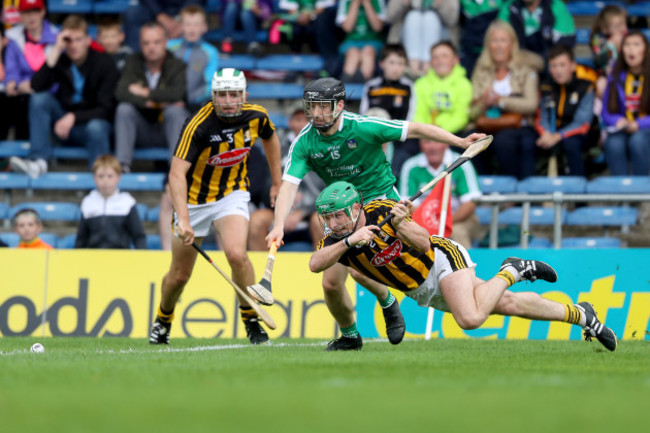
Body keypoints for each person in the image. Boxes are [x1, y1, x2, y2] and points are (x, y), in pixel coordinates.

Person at [263, 77, 485, 351]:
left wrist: (460, 141)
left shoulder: (365, 127)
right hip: (343, 212)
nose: (316, 113)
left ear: (339, 106)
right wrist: (278, 225)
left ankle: (392, 301)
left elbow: (415, 129)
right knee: (331, 284)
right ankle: (351, 334)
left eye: (322, 106)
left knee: (359, 271)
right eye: (312, 107)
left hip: (381, 204)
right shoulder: (305, 143)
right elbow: (288, 186)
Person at [309, 180, 618, 352]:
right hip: (421, 290)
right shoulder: (339, 241)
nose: (333, 223)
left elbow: (425, 243)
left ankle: (512, 270)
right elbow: (315, 264)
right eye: (328, 218)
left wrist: (401, 224)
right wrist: (351, 241)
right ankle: (582, 315)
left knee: (470, 318)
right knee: (506, 303)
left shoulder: (383, 210)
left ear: (354, 207)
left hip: (440, 260)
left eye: (337, 216)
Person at [149, 68, 282, 346]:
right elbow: (175, 174)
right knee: (179, 275)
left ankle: (251, 321)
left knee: (236, 254)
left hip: (231, 194)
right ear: (214, 96)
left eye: (234, 94)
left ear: (244, 95)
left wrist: (277, 182)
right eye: (223, 95)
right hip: (193, 201)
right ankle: (163, 320)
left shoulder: (257, 116)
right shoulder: (199, 125)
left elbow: (270, 138)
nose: (229, 100)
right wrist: (183, 219)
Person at [9, 15, 118, 178]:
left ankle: (100, 179)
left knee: (97, 127)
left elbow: (107, 108)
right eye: (69, 40)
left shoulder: (104, 63)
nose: (73, 45)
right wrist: (56, 49)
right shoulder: (61, 59)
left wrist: (73, 117)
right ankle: (39, 162)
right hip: (63, 127)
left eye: (78, 39)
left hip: (92, 127)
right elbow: (36, 86)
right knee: (40, 99)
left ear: (89, 40)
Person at [469, 20, 539, 179]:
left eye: (503, 40)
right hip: (488, 125)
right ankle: (481, 188)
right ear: (488, 45)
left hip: (520, 125)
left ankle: (512, 190)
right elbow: (472, 113)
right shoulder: (481, 69)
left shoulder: (525, 68)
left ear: (512, 44)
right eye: (494, 41)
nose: (499, 46)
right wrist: (483, 104)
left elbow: (531, 104)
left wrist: (500, 101)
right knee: (469, 139)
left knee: (503, 141)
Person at [114, 21, 187, 173]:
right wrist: (156, 103)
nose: (151, 47)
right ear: (140, 44)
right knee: (124, 109)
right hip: (141, 129)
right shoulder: (132, 62)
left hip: (169, 129)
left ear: (166, 42)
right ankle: (122, 166)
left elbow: (178, 94)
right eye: (146, 43)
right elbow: (121, 92)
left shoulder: (177, 65)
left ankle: (177, 170)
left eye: (156, 42)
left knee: (175, 112)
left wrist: (145, 93)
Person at [248, 108, 325, 251]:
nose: (303, 124)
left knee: (322, 221)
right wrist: (282, 204)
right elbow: (265, 186)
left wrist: (303, 211)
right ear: (290, 122)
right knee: (256, 220)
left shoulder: (324, 148)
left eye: (307, 120)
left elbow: (329, 189)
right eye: (298, 120)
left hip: (313, 212)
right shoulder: (278, 148)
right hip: (278, 212)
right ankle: (261, 271)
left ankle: (324, 268)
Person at [399, 138, 482, 249]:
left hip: (458, 219)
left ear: (447, 144)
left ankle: (464, 265)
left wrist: (445, 223)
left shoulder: (461, 162)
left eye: (437, 141)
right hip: (420, 220)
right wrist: (429, 224)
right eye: (427, 142)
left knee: (457, 232)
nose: (432, 147)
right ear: (420, 144)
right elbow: (408, 204)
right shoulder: (411, 166)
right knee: (406, 232)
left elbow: (470, 203)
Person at [2, 0, 58, 141]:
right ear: (20, 15)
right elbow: (12, 68)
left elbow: (58, 77)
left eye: (35, 11)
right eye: (27, 12)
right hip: (21, 90)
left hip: (48, 93)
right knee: (5, 99)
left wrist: (34, 86)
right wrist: (11, 82)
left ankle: (24, 151)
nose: (31, 17)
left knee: (31, 101)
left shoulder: (57, 38)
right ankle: (3, 155)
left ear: (43, 12)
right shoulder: (14, 37)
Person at [535, 44, 594, 177]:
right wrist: (545, 134)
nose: (558, 70)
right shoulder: (545, 87)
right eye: (554, 66)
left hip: (577, 134)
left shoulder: (585, 87)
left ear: (573, 66)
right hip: (549, 133)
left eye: (562, 65)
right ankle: (531, 192)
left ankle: (578, 191)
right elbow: (541, 116)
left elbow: (583, 123)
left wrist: (558, 136)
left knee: (571, 144)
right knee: (529, 142)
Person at [360, 43, 416, 176]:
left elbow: (410, 116)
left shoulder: (408, 87)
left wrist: (396, 134)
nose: (396, 68)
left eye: (400, 63)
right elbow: (363, 115)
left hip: (399, 137)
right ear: (381, 63)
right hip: (374, 136)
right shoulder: (372, 86)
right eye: (392, 62)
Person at [601, 30, 650, 176]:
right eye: (627, 45)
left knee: (638, 140)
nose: (631, 49)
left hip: (645, 128)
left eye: (636, 44)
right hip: (622, 128)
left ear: (646, 49)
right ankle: (622, 192)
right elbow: (606, 112)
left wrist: (639, 124)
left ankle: (639, 189)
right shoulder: (615, 75)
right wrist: (618, 120)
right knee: (613, 144)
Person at [75, 155, 147, 249]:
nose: (105, 181)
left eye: (110, 176)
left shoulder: (127, 202)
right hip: (93, 258)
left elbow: (138, 236)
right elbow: (81, 239)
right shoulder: (88, 202)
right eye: (100, 176)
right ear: (94, 178)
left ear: (118, 177)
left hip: (121, 257)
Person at [385, 0, 459, 77]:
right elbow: (389, 17)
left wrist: (439, 4)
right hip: (403, 39)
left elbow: (452, 20)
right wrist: (403, 3)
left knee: (430, 17)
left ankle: (427, 69)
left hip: (441, 37)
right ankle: (413, 69)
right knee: (414, 16)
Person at [413, 41, 472, 135]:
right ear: (431, 62)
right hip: (424, 134)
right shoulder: (420, 84)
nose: (440, 61)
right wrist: (427, 132)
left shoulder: (464, 84)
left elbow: (461, 117)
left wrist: (440, 133)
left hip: (453, 134)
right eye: (435, 57)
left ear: (456, 60)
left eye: (445, 56)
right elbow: (417, 113)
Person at [167, 5, 218, 112]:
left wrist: (189, 100)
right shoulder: (170, 47)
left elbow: (210, 84)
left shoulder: (210, 52)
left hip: (197, 105)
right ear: (181, 26)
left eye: (196, 24)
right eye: (188, 24)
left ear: (204, 27)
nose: (192, 28)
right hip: (170, 103)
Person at [497, 0, 575, 67]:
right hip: (516, 64)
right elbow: (499, 38)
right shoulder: (509, 6)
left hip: (548, 66)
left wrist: (540, 61)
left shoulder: (555, 5)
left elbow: (564, 44)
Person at [123, 0, 206, 51]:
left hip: (187, 9)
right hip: (156, 9)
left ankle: (196, 54)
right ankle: (136, 57)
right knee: (133, 13)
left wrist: (183, 21)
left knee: (195, 18)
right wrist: (159, 14)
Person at [336, 0, 386, 83]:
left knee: (368, 52)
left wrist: (367, 4)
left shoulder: (377, 1)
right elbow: (347, 28)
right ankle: (346, 85)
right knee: (353, 54)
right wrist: (355, 4)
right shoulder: (345, 1)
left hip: (373, 41)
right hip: (351, 42)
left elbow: (377, 27)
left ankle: (362, 83)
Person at [590, 5, 627, 101]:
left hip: (626, 74)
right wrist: (612, 46)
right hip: (607, 76)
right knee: (601, 84)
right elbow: (601, 62)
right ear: (605, 28)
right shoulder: (599, 40)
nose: (622, 29)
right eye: (616, 26)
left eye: (623, 24)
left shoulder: (627, 37)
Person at [459, 0, 504, 77]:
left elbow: (504, 27)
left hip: (493, 49)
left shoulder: (502, 3)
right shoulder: (462, 2)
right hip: (469, 50)